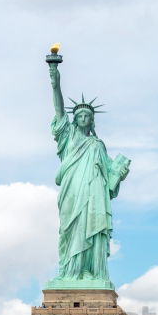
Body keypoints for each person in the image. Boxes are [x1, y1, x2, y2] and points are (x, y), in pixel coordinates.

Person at [47, 54, 130, 283]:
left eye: (87, 116)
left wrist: (119, 174)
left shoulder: (97, 145)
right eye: (80, 115)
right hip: (73, 191)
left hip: (94, 195)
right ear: (74, 120)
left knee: (90, 227)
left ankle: (90, 272)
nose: (83, 118)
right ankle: (70, 272)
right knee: (71, 229)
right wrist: (54, 76)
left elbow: (110, 180)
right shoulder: (68, 136)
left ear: (92, 121)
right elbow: (58, 107)